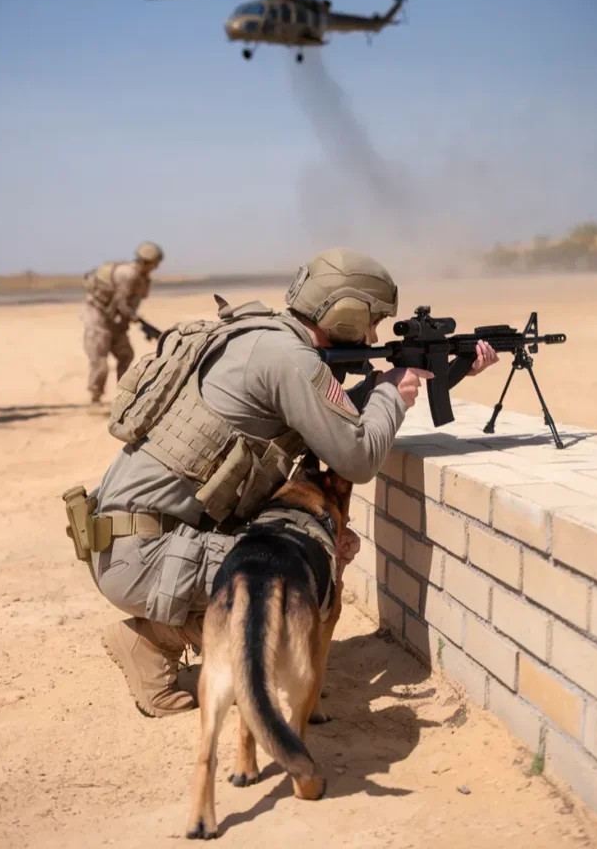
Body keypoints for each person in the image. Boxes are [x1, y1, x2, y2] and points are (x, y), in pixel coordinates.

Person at [88, 248, 497, 718]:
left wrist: (441, 372)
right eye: (373, 320)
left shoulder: (264, 339)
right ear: (346, 312)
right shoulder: (291, 359)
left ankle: (176, 634)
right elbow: (358, 457)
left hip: (133, 541)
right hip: (145, 555)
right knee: (302, 582)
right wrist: (390, 394)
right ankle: (152, 638)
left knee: (312, 552)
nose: (375, 335)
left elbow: (332, 422)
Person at [82, 242, 164, 406]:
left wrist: (133, 319)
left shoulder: (142, 278)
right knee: (100, 360)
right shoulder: (127, 274)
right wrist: (134, 317)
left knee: (126, 354)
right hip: (98, 318)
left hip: (116, 321)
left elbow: (130, 303)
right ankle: (95, 398)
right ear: (146, 261)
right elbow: (120, 303)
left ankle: (123, 396)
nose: (156, 267)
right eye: (155, 263)